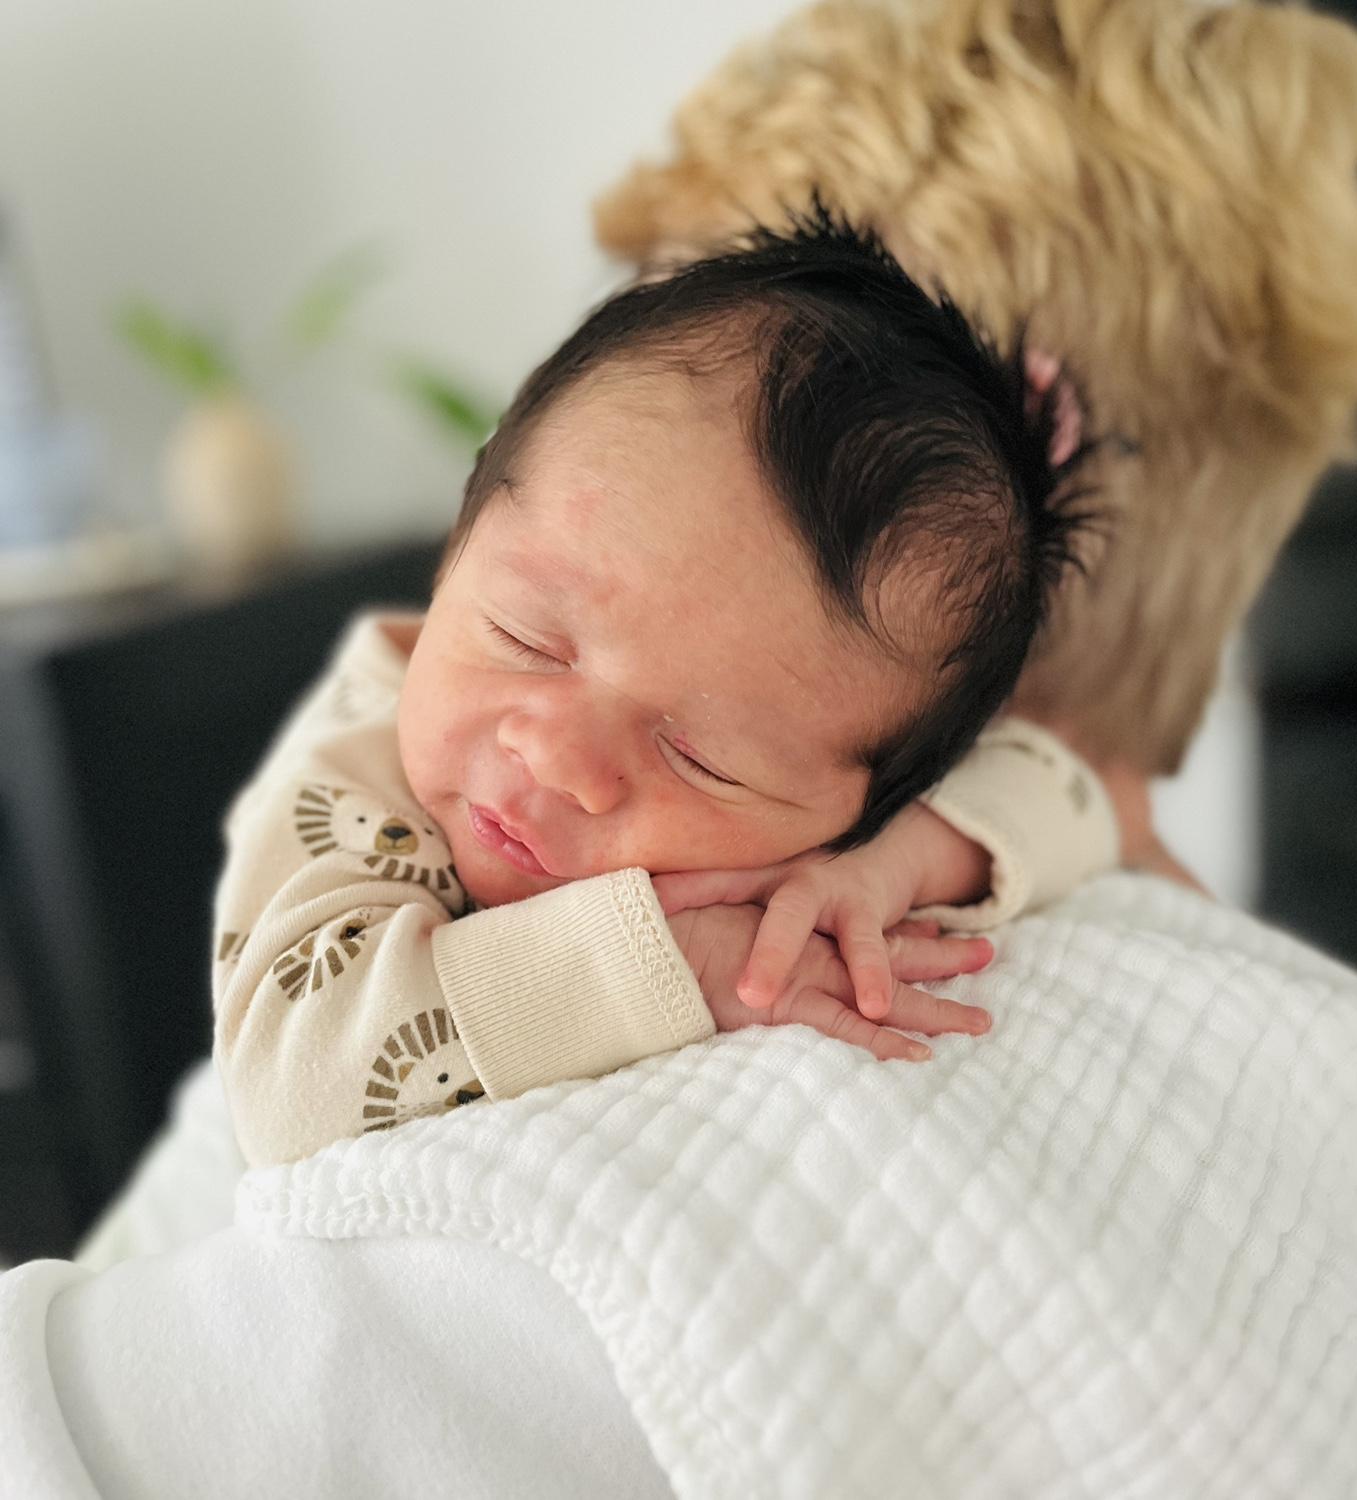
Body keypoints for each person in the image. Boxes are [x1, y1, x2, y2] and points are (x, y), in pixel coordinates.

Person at [213, 207, 1124, 1168]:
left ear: (856, 798)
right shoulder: (351, 780)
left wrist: (896, 861)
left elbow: (1071, 797)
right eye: (528, 639)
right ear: (459, 542)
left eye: (697, 757)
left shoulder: (854, 769)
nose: (558, 759)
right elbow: (288, 1087)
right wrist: (677, 959)